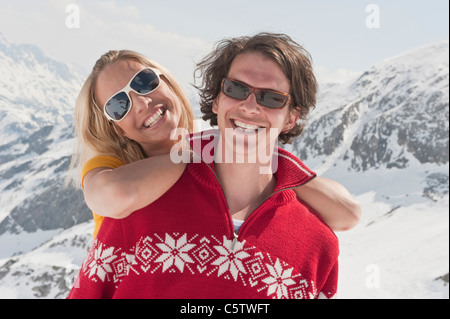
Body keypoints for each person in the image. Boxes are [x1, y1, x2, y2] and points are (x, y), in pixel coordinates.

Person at [68, 36, 360, 298]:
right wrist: (196, 149)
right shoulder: (132, 201)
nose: (249, 106)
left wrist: (278, 167)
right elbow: (116, 194)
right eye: (235, 88)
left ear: (291, 118)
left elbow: (348, 213)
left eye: (271, 97)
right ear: (217, 99)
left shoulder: (316, 243)